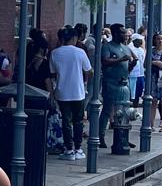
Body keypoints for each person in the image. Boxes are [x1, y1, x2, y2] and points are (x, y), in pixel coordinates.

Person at [50, 26, 92, 162]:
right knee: (78, 121)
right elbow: (89, 70)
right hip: (78, 91)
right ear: (74, 38)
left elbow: (53, 73)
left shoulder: (54, 53)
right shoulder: (80, 52)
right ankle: (78, 148)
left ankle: (69, 149)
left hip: (62, 91)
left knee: (66, 121)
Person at [100, 24, 133, 149]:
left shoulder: (125, 48)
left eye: (125, 33)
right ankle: (101, 135)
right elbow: (105, 61)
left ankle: (123, 136)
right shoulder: (107, 46)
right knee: (108, 110)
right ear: (115, 34)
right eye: (122, 33)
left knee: (124, 110)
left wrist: (132, 64)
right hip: (111, 82)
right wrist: (120, 60)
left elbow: (127, 67)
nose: (125, 35)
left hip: (124, 82)